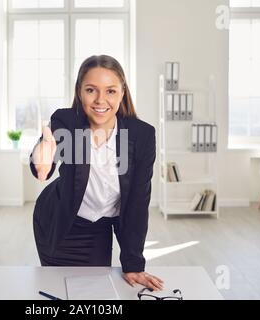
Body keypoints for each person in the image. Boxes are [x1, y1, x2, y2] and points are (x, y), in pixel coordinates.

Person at [29, 55, 163, 290]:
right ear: (80, 92)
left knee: (93, 292)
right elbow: (47, 153)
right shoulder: (67, 121)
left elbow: (137, 203)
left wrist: (133, 263)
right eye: (91, 90)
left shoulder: (141, 136)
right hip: (60, 221)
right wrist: (42, 161)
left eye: (110, 91)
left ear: (122, 92)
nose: (101, 100)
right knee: (58, 290)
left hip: (101, 225)